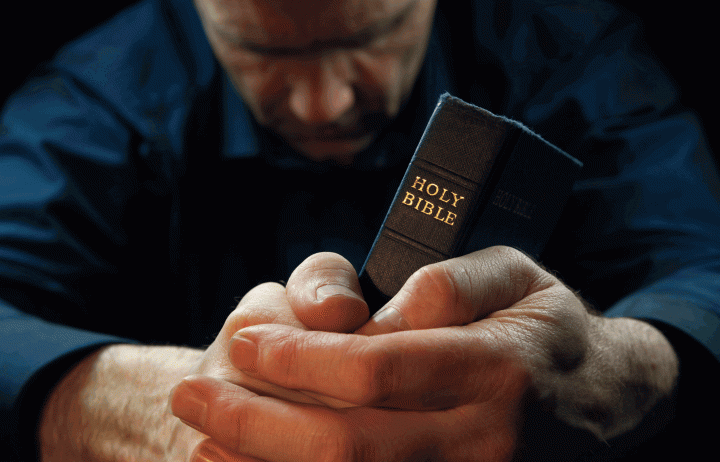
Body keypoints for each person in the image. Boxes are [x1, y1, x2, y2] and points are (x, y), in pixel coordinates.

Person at [1, 0, 719, 460]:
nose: (324, 103)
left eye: (373, 36)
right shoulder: (103, 89)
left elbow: (703, 265)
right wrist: (164, 409)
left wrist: (621, 372)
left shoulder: (570, 50)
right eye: (266, 53)